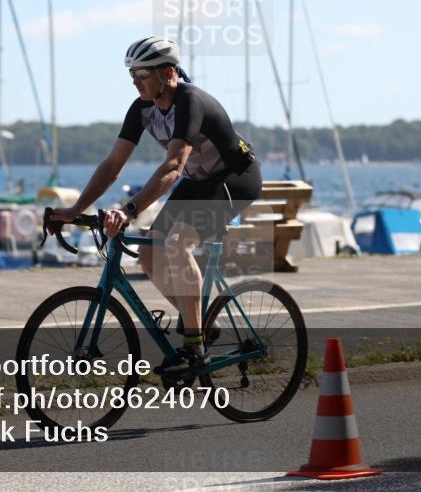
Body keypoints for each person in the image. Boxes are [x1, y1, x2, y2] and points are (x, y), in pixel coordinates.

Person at [48, 36, 261, 376]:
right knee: (149, 252)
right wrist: (76, 209)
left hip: (234, 177)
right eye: (132, 74)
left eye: (142, 74)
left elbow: (174, 166)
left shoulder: (190, 101)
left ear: (168, 73)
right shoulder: (142, 108)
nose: (135, 81)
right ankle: (203, 325)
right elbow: (113, 164)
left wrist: (129, 210)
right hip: (198, 181)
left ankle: (195, 347)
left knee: (177, 243)